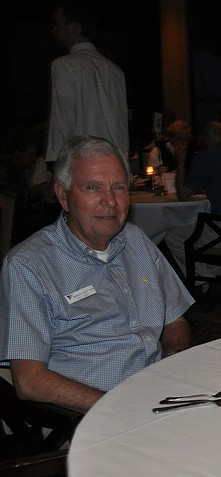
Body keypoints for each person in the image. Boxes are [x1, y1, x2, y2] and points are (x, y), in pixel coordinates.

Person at [0, 136, 194, 413]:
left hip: (159, 397)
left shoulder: (136, 240)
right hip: (88, 414)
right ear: (63, 195)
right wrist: (120, 409)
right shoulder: (29, 265)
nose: (110, 202)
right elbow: (30, 381)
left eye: (118, 187)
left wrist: (175, 365)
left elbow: (176, 322)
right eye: (93, 188)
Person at [166, 121, 221, 281]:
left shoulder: (206, 157)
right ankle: (220, 277)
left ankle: (205, 280)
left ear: (208, 139)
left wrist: (180, 163)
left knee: (173, 237)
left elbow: (183, 195)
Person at [46, 0, 129, 163]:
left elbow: (62, 123)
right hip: (114, 161)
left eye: (58, 24)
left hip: (82, 163)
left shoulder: (64, 65)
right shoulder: (115, 70)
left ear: (74, 27)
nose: (54, 30)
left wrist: (57, 166)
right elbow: (120, 126)